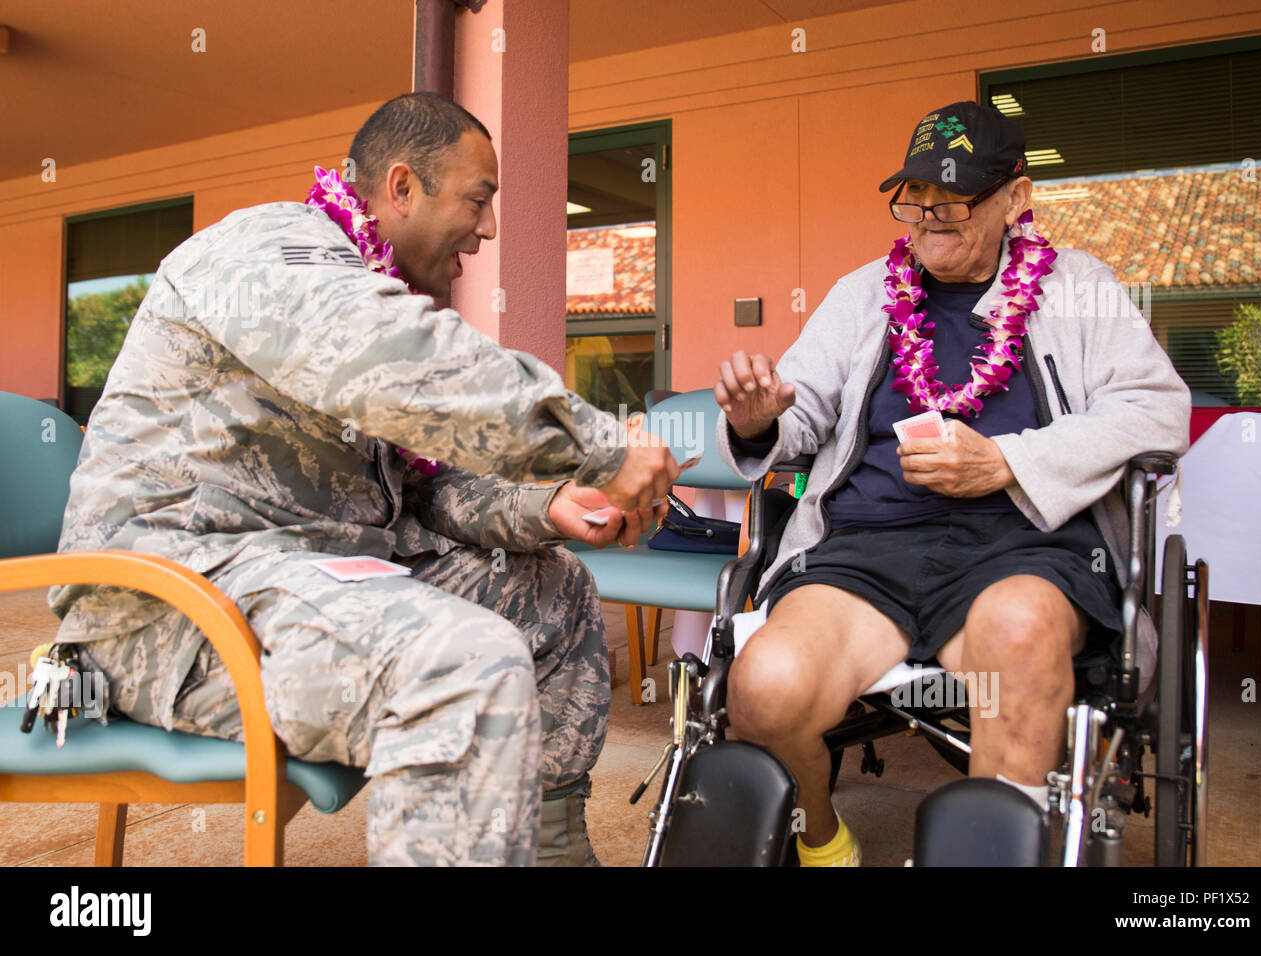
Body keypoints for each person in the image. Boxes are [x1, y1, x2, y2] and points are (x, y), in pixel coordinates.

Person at [48, 92, 682, 866]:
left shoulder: (364, 290)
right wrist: (598, 447)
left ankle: (548, 849)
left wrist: (548, 504)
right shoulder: (267, 248)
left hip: (303, 576)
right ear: (404, 185)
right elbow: (391, 360)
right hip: (169, 601)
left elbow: (419, 493)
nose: (486, 231)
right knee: (459, 667)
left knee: (557, 591)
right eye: (479, 201)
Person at [714, 101, 1190, 867]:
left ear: (1017, 197)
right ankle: (823, 842)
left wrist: (1010, 462)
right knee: (764, 686)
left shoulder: (1078, 287)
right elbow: (795, 418)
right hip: (868, 549)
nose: (930, 217)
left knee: (1020, 633)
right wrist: (756, 420)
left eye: (955, 198)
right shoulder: (861, 292)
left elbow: (1157, 411)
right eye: (914, 198)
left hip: (1028, 548)